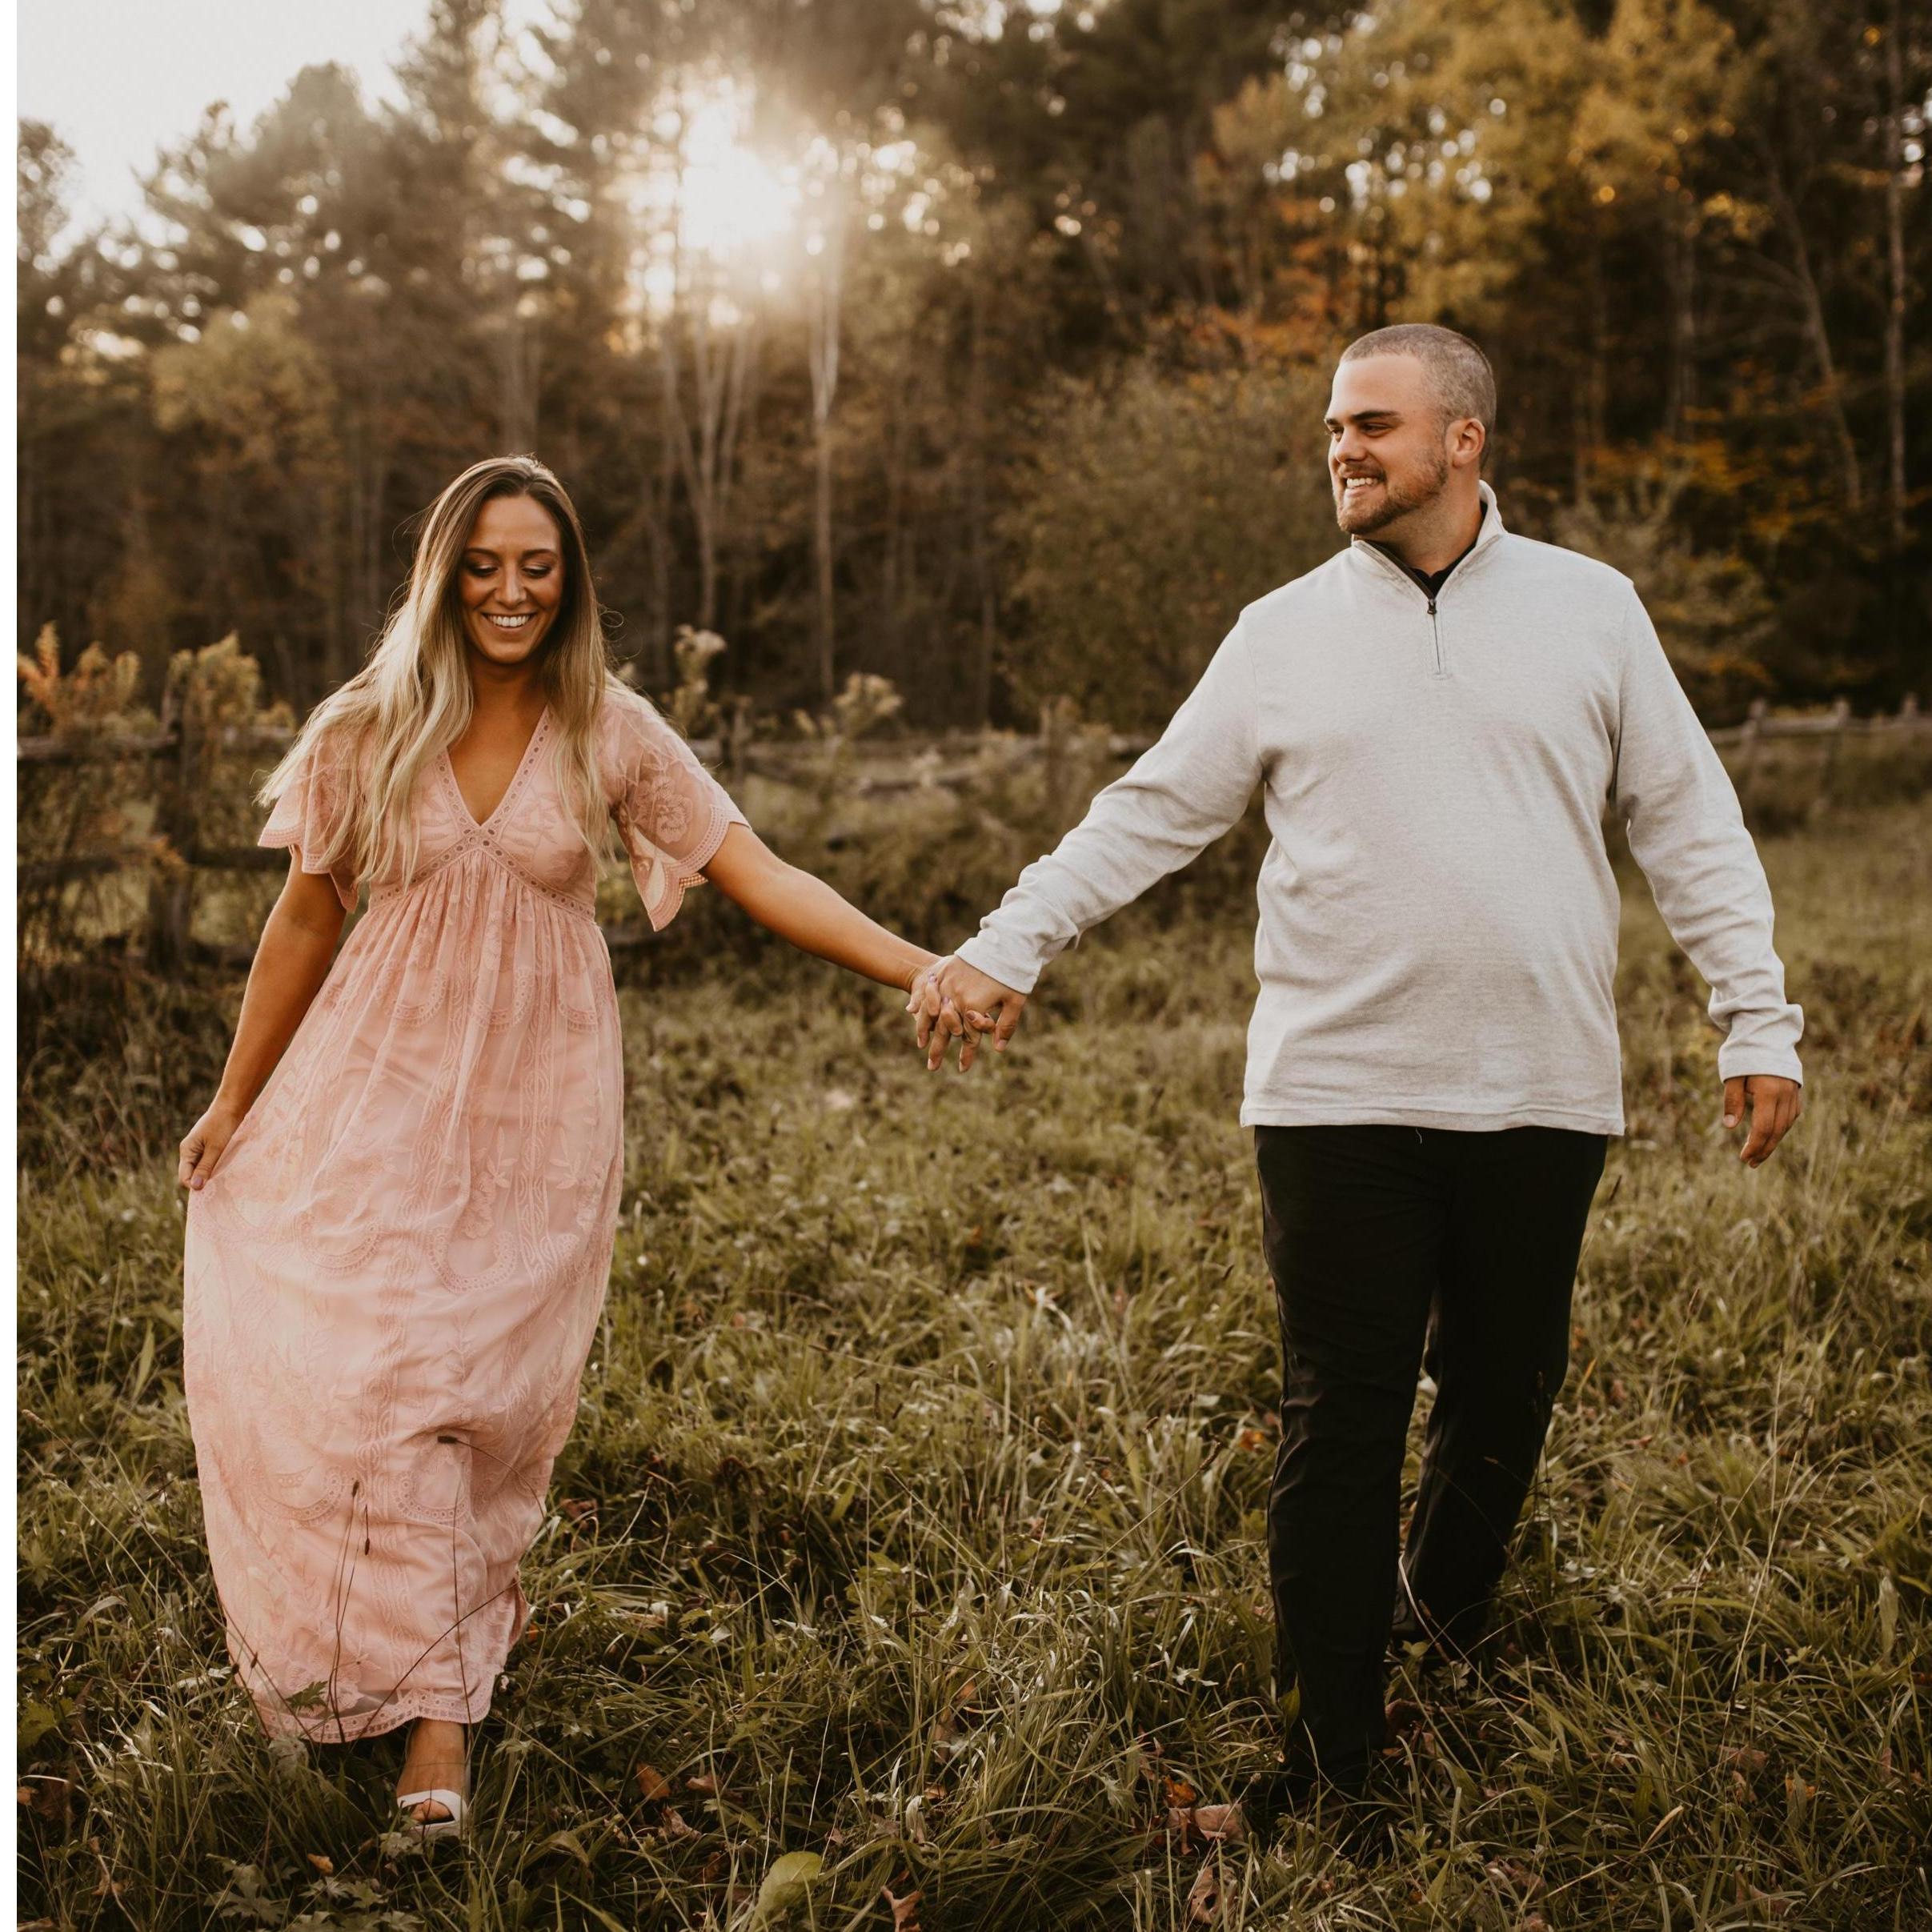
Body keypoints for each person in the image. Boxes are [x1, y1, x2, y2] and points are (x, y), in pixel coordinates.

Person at [911, 324, 1804, 1810]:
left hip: (1539, 1088)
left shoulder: (1592, 611)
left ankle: (1437, 1615)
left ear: (1463, 439)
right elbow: (1151, 811)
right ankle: (1328, 1755)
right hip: (1333, 1095)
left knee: (1504, 1389)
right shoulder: (1280, 632)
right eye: (1333, 426)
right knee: (1344, 1409)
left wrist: (1753, 1015)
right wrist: (1011, 942)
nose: (1343, 449)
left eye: (1374, 424)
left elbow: (1687, 822)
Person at [178, 455, 936, 1837]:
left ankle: (436, 1713)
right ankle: (396, 1682)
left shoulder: (608, 726)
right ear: (443, 575)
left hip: (535, 1118)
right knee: (384, 1377)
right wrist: (235, 1099)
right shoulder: (373, 722)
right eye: (482, 565)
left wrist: (921, 968)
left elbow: (758, 871)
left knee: (475, 1402)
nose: (510, 591)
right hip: (376, 1095)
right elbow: (304, 918)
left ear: (569, 579)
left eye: (536, 566)